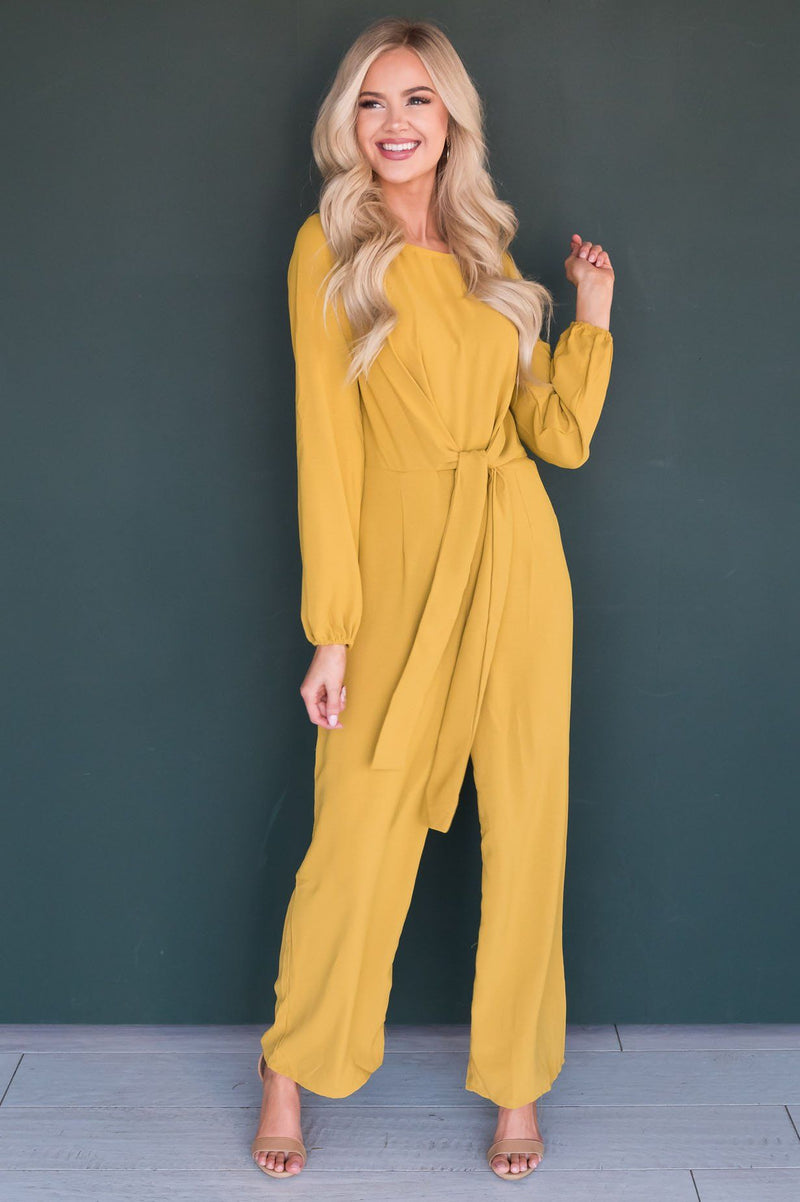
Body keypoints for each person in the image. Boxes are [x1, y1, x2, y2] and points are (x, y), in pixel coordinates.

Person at [251, 16, 615, 1183]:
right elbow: (325, 450)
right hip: (399, 569)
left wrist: (589, 317)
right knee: (355, 827)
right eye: (371, 101)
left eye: (415, 99)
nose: (393, 122)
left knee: (527, 823)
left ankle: (516, 1081)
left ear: (451, 117)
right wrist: (331, 632)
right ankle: (290, 1064)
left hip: (516, 559)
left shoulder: (487, 252)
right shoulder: (329, 249)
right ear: (348, 123)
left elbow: (554, 437)